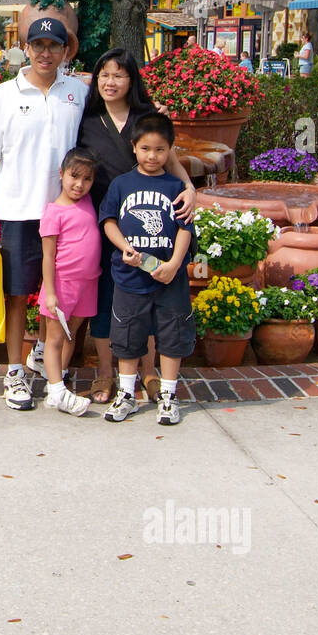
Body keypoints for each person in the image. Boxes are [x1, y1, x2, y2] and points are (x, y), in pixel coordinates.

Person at [0, 16, 87, 411]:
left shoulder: (77, 93)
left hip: (66, 214)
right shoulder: (4, 94)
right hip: (19, 211)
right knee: (18, 294)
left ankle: (42, 353)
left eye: (53, 46)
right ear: (27, 47)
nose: (45, 52)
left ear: (65, 50)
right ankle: (15, 370)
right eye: (37, 44)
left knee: (57, 293)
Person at [76, 47, 195, 405]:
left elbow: (170, 160)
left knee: (148, 293)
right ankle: (106, 373)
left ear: (132, 79)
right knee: (107, 298)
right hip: (102, 220)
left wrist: (189, 189)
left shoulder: (146, 116)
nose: (111, 82)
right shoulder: (86, 118)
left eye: (119, 75)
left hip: (150, 224)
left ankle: (147, 371)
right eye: (104, 75)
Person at [97, 112, 195, 426]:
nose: (152, 156)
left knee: (171, 334)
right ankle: (126, 393)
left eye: (160, 150)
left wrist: (175, 264)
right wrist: (122, 245)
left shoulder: (176, 185)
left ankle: (168, 394)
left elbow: (185, 228)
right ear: (134, 147)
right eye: (145, 149)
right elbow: (109, 220)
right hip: (129, 276)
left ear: (170, 150)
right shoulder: (122, 184)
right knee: (127, 335)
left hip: (169, 279)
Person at [39, 148, 102, 417]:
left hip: (88, 282)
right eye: (74, 176)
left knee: (70, 334)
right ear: (61, 174)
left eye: (87, 179)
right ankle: (56, 390)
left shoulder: (87, 202)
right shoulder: (53, 212)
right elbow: (48, 256)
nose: (79, 184)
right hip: (62, 284)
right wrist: (50, 292)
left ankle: (59, 382)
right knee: (54, 339)